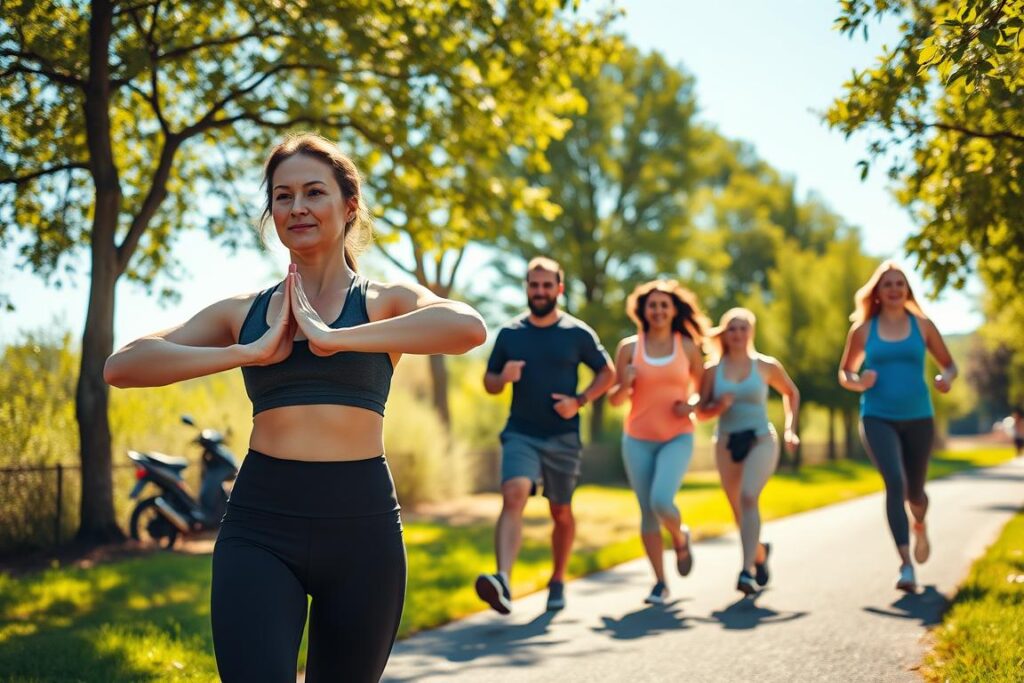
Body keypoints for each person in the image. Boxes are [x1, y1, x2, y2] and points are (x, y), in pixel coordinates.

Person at [104, 133, 487, 682]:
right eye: (282, 196)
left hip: (363, 529)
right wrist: (247, 351)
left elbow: (467, 328)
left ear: (349, 206)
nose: (297, 207)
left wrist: (336, 338)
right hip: (261, 525)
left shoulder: (382, 303)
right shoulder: (246, 311)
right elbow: (124, 365)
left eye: (313, 192)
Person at [475, 257, 615, 614]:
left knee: (561, 511)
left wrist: (580, 401)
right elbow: (489, 383)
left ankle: (557, 579)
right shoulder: (509, 334)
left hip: (563, 437)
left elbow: (608, 372)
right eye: (534, 285)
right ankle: (503, 581)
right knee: (514, 492)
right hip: (521, 431)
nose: (540, 292)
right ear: (526, 288)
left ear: (559, 289)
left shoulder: (577, 333)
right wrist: (502, 376)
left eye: (547, 286)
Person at [838, 260, 956, 593]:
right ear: (877, 291)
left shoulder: (922, 325)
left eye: (899, 284)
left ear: (907, 290)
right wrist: (859, 383)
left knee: (915, 492)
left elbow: (949, 365)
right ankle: (906, 565)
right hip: (877, 416)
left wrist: (944, 379)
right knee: (895, 482)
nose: (893, 289)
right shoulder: (863, 330)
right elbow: (845, 372)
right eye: (887, 284)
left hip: (919, 416)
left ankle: (919, 522)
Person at [607, 280, 708, 605]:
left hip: (677, 435)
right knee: (647, 513)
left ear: (674, 310)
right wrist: (626, 383)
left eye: (664, 305)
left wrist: (691, 403)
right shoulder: (628, 348)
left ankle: (680, 538)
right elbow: (614, 399)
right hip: (637, 438)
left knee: (662, 501)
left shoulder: (688, 347)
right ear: (643, 310)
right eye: (653, 305)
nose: (659, 310)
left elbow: (702, 390)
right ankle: (660, 583)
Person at [697, 308, 800, 595]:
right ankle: (759, 553)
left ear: (750, 332)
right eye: (732, 328)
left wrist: (791, 429)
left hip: (760, 439)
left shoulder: (766, 365)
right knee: (737, 509)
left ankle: (746, 571)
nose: (738, 333)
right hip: (726, 442)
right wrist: (717, 407)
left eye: (743, 328)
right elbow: (701, 412)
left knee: (748, 496)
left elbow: (791, 393)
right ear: (725, 333)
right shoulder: (712, 371)